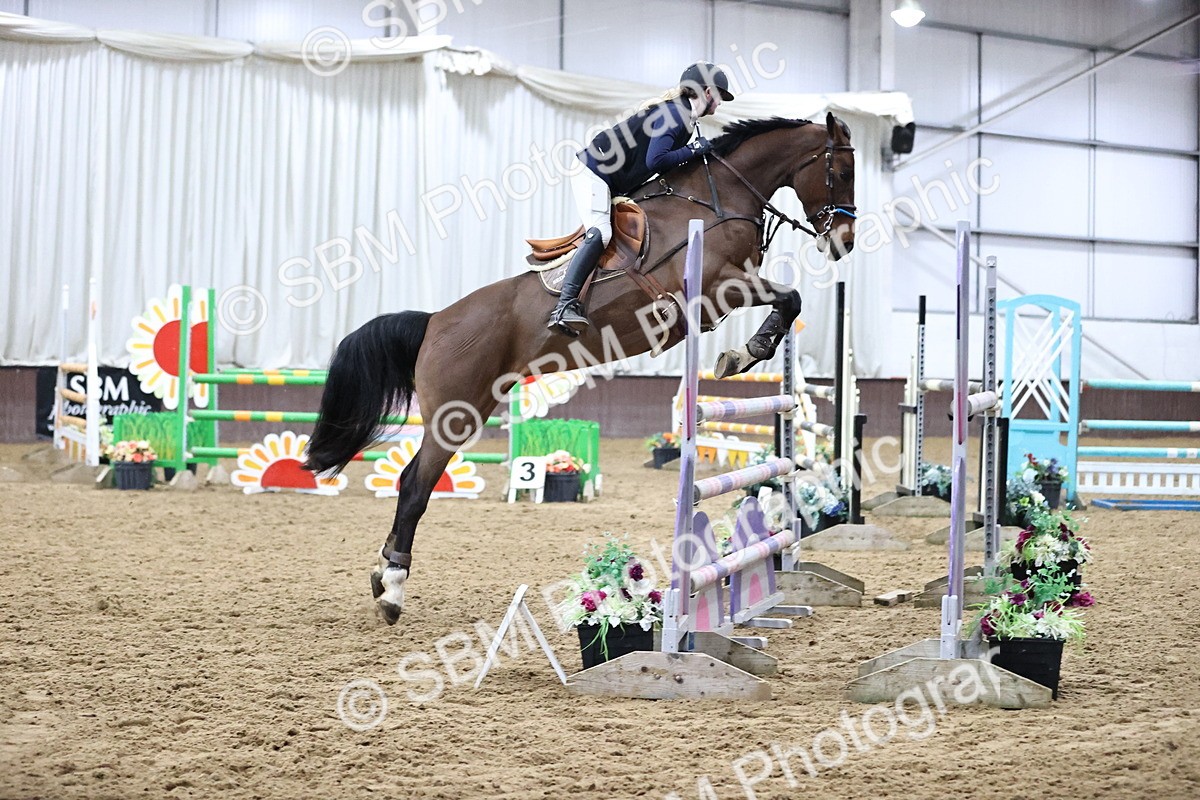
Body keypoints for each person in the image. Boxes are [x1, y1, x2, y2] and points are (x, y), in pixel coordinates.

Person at [547, 61, 735, 335]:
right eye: (719, 97)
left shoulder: (684, 118)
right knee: (600, 233)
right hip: (594, 172)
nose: (720, 105)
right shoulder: (676, 116)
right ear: (707, 92)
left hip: (615, 179)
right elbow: (656, 160)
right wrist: (695, 150)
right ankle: (564, 304)